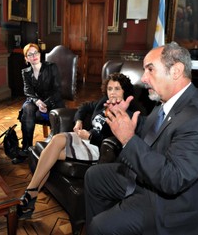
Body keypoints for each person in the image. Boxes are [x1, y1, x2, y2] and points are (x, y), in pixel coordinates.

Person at [84, 42, 198, 234]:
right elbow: (155, 130)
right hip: (153, 179)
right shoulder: (166, 100)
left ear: (176, 70)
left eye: (150, 70)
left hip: (176, 206)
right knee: (94, 176)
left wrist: (128, 138)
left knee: (100, 227)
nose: (144, 78)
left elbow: (172, 179)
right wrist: (128, 120)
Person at [17, 73, 138, 219]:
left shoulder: (126, 114)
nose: (112, 92)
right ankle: (32, 194)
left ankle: (29, 193)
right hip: (85, 139)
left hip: (99, 148)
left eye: (117, 89)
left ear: (125, 91)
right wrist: (78, 120)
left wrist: (91, 136)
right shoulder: (103, 102)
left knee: (55, 145)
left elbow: (116, 141)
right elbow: (84, 107)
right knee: (52, 151)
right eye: (110, 88)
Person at [14, 43, 65, 164]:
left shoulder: (51, 67)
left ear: (40, 54)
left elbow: (58, 90)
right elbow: (28, 91)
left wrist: (45, 103)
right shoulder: (25, 72)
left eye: (35, 52)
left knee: (29, 109)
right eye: (29, 54)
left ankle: (53, 150)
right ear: (26, 59)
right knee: (27, 108)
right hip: (36, 102)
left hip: (53, 101)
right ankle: (27, 148)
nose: (33, 56)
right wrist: (37, 102)